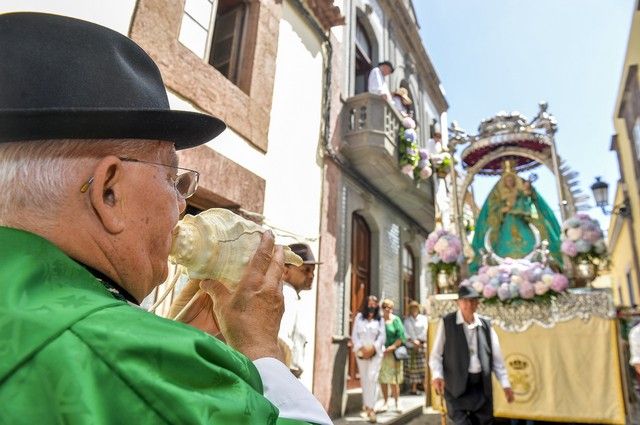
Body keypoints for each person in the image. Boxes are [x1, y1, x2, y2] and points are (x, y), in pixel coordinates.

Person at [0, 12, 331, 425]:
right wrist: (260, 348)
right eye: (174, 179)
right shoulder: (128, 358)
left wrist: (174, 339)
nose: (180, 204)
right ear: (109, 191)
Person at [429, 286, 514, 425]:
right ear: (458, 302)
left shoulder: (486, 325)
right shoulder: (447, 323)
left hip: (481, 388)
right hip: (456, 387)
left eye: (472, 301)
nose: (469, 305)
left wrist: (505, 384)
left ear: (477, 303)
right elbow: (436, 356)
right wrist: (437, 375)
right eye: (465, 301)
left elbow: (497, 359)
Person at [470, 159, 562, 272]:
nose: (509, 182)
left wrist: (527, 193)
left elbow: (530, 200)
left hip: (522, 221)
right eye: (507, 180)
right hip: (506, 223)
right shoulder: (497, 192)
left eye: (511, 179)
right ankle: (505, 267)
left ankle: (537, 264)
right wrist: (503, 209)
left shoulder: (522, 188)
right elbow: (492, 208)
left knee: (534, 240)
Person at [278, 243, 321, 378]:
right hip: (283, 375)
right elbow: (280, 340)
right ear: (285, 270)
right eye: (306, 270)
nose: (311, 276)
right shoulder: (287, 294)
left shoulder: (289, 294)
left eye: (313, 271)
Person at [351, 295, 386, 423]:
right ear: (366, 304)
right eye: (369, 303)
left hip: (375, 354)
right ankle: (367, 407)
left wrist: (372, 349)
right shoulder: (359, 317)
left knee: (372, 377)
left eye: (374, 303)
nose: (371, 306)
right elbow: (354, 336)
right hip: (361, 354)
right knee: (365, 380)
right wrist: (362, 349)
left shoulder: (380, 319)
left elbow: (382, 337)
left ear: (377, 305)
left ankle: (371, 408)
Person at [378, 298, 407, 413]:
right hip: (382, 354)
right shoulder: (379, 321)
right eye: (385, 307)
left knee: (393, 380)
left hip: (393, 354)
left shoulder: (396, 320)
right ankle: (385, 402)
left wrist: (391, 347)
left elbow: (401, 337)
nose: (387, 309)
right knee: (383, 379)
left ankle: (397, 402)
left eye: (389, 307)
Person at [403, 300, 428, 395]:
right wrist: (414, 341)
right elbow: (405, 333)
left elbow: (426, 330)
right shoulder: (407, 320)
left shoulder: (423, 319)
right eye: (412, 308)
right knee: (412, 369)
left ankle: (425, 388)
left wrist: (419, 341)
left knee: (423, 368)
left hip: (422, 346)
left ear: (418, 308)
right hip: (411, 346)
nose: (414, 310)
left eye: (415, 308)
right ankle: (413, 389)